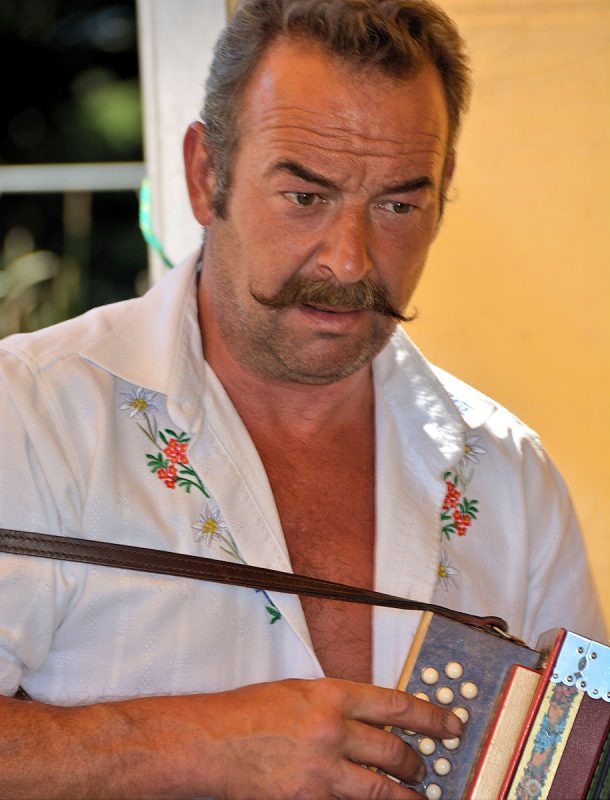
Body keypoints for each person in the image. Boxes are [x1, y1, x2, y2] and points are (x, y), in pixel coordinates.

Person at [0, 0, 605, 797]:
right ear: (205, 172)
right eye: (305, 196)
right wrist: (195, 746)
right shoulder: (32, 414)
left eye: (398, 203)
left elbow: (581, 759)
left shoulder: (510, 471)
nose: (349, 259)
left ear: (443, 191)